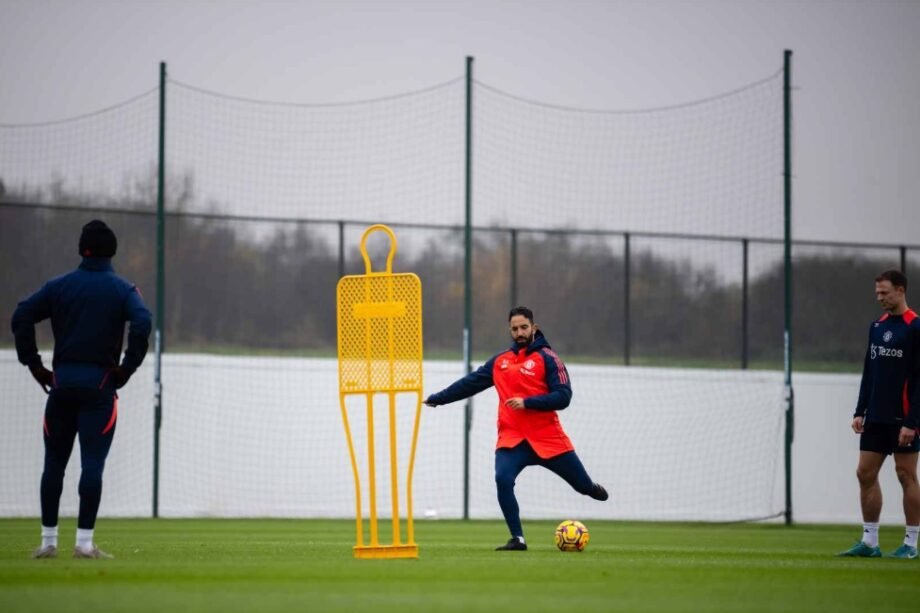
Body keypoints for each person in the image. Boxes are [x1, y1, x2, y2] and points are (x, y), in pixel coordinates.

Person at [11, 220, 152, 560]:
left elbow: (22, 314)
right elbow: (143, 321)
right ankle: (84, 544)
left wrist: (33, 364)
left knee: (53, 465)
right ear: (112, 250)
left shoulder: (59, 286)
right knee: (92, 465)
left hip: (61, 387)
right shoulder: (123, 290)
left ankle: (48, 542)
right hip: (99, 388)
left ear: (81, 249)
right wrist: (127, 367)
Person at [424, 306, 608, 550]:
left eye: (524, 327)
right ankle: (517, 539)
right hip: (512, 439)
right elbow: (470, 383)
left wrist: (527, 402)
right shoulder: (500, 361)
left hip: (548, 438)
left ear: (534, 327)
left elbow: (563, 397)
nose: (519, 333)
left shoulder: (549, 358)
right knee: (502, 478)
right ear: (509, 330)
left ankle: (590, 487)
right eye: (514, 329)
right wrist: (438, 398)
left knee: (582, 486)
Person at [839, 270, 920, 559]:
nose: (880, 298)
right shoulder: (877, 326)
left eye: (884, 292)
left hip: (903, 418)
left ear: (900, 290)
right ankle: (870, 542)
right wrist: (860, 410)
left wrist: (913, 422)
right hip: (876, 415)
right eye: (877, 293)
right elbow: (869, 371)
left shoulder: (915, 327)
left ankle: (911, 544)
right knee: (864, 473)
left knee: (905, 475)